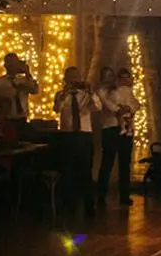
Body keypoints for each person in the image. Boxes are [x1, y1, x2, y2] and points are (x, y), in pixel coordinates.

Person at [52, 66, 102, 219]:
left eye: (76, 76)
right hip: (67, 136)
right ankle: (70, 206)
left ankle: (89, 207)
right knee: (68, 171)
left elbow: (97, 107)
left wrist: (90, 92)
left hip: (84, 136)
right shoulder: (61, 94)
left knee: (86, 171)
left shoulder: (85, 94)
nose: (74, 79)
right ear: (65, 79)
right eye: (70, 77)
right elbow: (56, 109)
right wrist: (64, 94)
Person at [96, 66, 139, 206]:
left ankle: (124, 195)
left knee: (125, 163)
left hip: (125, 128)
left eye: (111, 76)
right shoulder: (101, 91)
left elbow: (134, 103)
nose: (109, 79)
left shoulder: (121, 90)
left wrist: (129, 109)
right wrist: (119, 109)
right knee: (107, 162)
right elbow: (109, 106)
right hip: (110, 129)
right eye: (106, 76)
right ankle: (101, 195)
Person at [0, 53, 39, 128]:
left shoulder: (24, 80)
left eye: (14, 62)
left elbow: (35, 90)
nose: (12, 65)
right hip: (5, 120)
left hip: (22, 119)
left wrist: (27, 73)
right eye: (10, 62)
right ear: (5, 65)